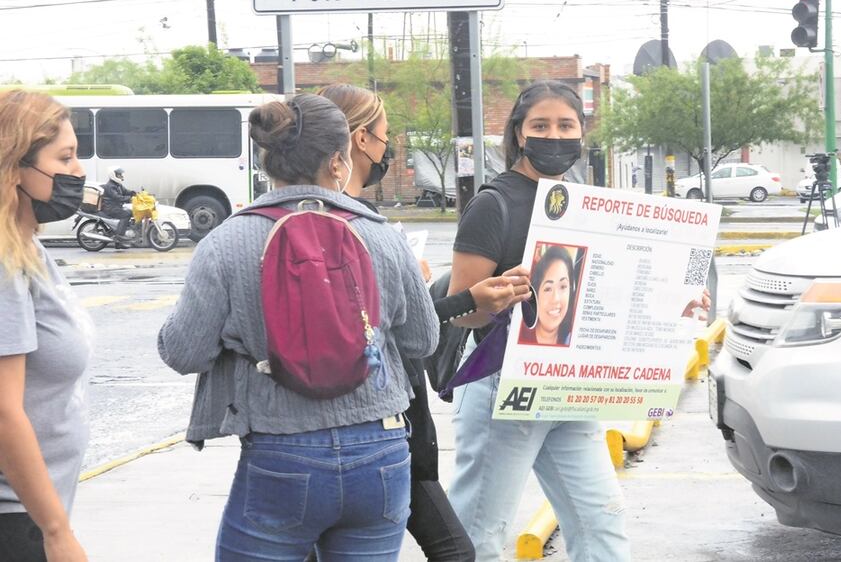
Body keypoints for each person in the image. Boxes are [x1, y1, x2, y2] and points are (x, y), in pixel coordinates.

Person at [158, 93, 439, 561]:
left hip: (282, 451)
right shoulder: (382, 236)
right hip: (381, 450)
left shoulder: (226, 242)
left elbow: (183, 352)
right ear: (338, 160)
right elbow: (423, 340)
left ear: (267, 161)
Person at [318, 83, 531, 561]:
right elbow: (407, 334)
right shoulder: (358, 224)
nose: (387, 148)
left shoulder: (295, 219)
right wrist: (465, 299)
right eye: (385, 135)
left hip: (327, 429)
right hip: (382, 424)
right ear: (360, 139)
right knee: (454, 551)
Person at [447, 81, 631, 561]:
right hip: (503, 385)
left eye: (566, 125)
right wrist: (496, 298)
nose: (555, 135)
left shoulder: (583, 202)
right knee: (481, 534)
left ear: (582, 132)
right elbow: (460, 312)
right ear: (519, 134)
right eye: (541, 125)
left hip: (569, 383)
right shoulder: (493, 204)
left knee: (602, 521)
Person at [0, 90, 92, 562]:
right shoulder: (4, 262)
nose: (79, 170)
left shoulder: (27, 247)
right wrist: (56, 531)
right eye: (65, 157)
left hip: (32, 515)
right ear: (15, 167)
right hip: (16, 522)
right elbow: (3, 411)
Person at [517, 245, 577, 347]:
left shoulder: (573, 337)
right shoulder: (518, 333)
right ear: (536, 293)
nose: (556, 298)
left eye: (563, 286)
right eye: (548, 289)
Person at [100, 166, 134, 246]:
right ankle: (119, 236)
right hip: (111, 209)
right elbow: (117, 197)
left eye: (121, 174)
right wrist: (130, 199)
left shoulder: (117, 184)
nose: (121, 176)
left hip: (116, 207)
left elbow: (126, 191)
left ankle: (119, 242)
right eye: (119, 175)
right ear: (113, 175)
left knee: (130, 211)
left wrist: (135, 193)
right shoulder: (110, 186)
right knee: (127, 214)